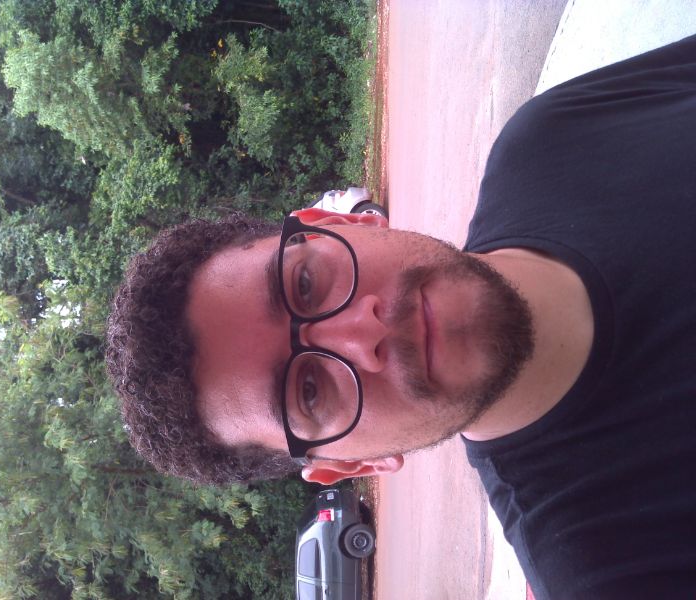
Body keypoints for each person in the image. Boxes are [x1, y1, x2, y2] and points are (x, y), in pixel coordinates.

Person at [106, 35, 696, 599]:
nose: (362, 333)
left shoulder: (557, 138)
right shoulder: (615, 576)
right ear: (348, 463)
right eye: (309, 390)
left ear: (341, 222)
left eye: (305, 284)